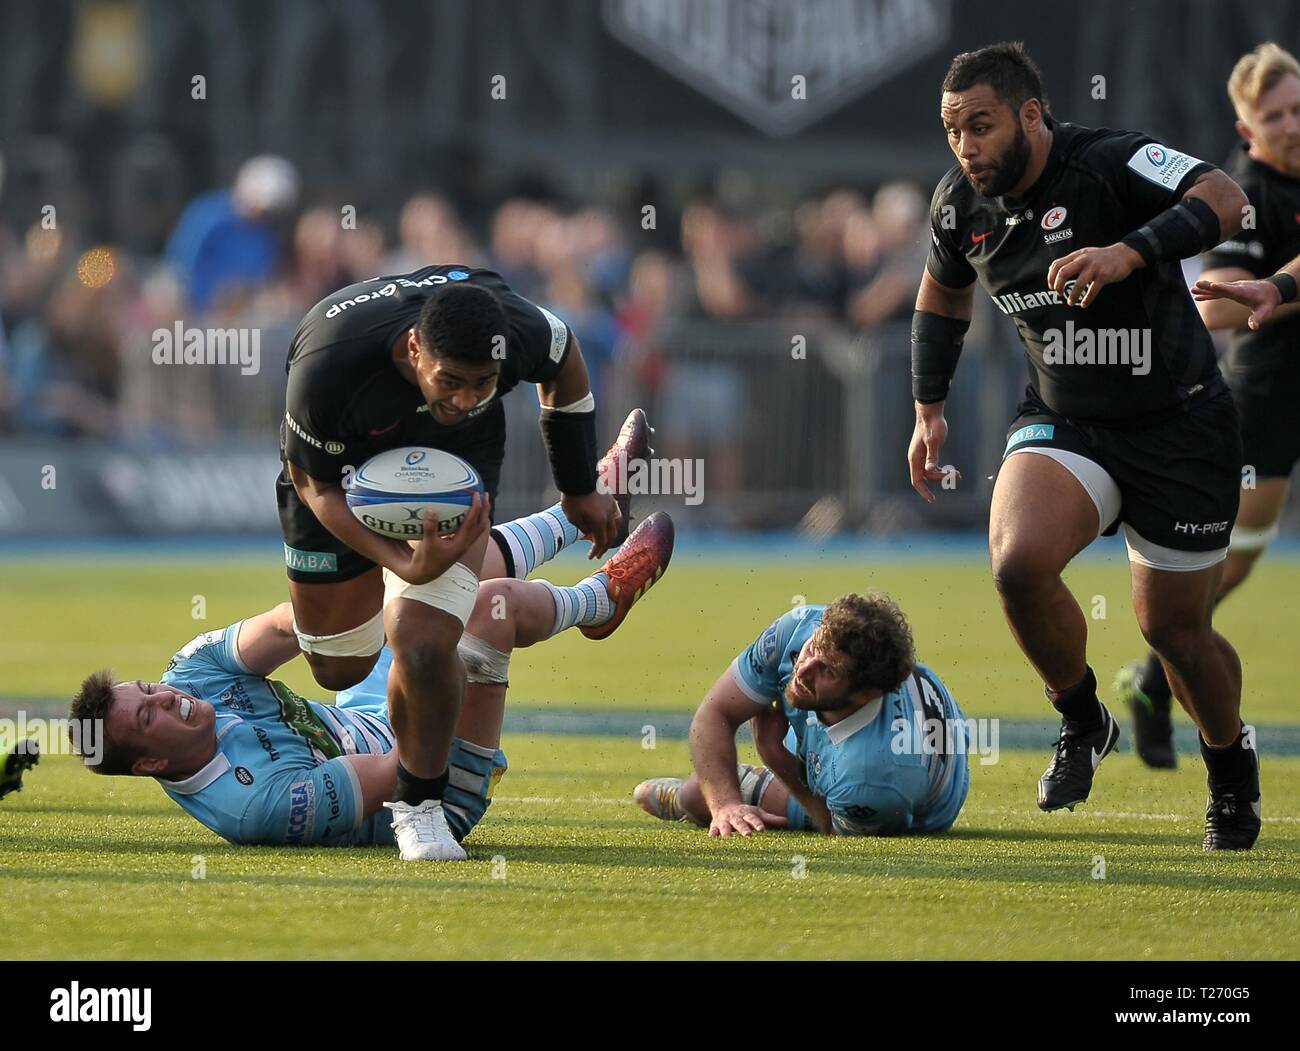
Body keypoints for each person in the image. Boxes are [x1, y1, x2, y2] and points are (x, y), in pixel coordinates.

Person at [909, 42, 1259, 849]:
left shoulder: (1110, 162)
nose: (965, 146)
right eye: (952, 130)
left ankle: (1229, 767)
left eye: (981, 126)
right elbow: (943, 287)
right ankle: (1081, 717)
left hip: (1180, 422)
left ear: (1031, 115)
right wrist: (928, 407)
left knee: (1172, 630)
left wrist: (1127, 250)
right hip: (1067, 420)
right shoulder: (959, 204)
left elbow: (1227, 196)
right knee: (1016, 561)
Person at [65, 511, 675, 851]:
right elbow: (397, 771)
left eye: (149, 690)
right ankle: (600, 602)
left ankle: (581, 512)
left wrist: (398, 585)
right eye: (151, 717)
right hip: (431, 788)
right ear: (148, 766)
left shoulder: (190, 672)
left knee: (426, 577)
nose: (168, 697)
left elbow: (291, 625)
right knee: (489, 606)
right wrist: (431, 649)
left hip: (364, 705)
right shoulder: (252, 808)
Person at [277, 264, 623, 859]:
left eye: (483, 383)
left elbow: (565, 359)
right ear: (415, 349)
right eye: (452, 381)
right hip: (338, 473)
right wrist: (399, 563)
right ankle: (537, 541)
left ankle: (418, 805)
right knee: (339, 667)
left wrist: (576, 482)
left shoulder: (512, 334)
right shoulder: (329, 365)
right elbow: (318, 489)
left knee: (420, 638)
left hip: (453, 465)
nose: (466, 398)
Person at [1117, 43, 1300, 769]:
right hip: (1270, 396)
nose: (1291, 125)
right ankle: (1160, 670)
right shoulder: (1249, 191)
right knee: (1237, 561)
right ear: (1247, 129)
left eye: (1298, 110)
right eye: (1275, 115)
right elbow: (1217, 302)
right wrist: (1271, 289)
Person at [634, 593, 969, 838]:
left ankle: (683, 798)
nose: (804, 668)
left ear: (866, 693)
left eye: (828, 670)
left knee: (696, 794)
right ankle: (698, 795)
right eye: (815, 647)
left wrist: (775, 755)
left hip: (913, 804)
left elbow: (829, 826)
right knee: (716, 792)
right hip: (874, 737)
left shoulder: (870, 779)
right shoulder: (800, 628)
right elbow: (714, 712)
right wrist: (724, 804)